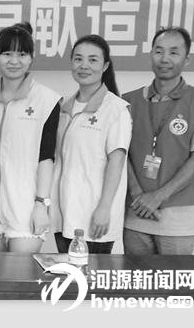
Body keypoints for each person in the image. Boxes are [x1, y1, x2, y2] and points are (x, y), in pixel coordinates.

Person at [123, 26, 194, 255]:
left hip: (179, 219)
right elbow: (121, 154)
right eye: (159, 51)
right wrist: (138, 195)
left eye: (174, 52)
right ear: (151, 54)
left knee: (174, 279)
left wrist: (157, 197)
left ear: (187, 59)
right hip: (135, 214)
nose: (164, 59)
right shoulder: (128, 101)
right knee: (135, 278)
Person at [0, 23, 61, 253]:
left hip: (26, 206)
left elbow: (47, 157)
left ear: (31, 58)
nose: (14, 61)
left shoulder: (46, 100)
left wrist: (41, 204)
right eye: (7, 53)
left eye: (22, 54)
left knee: (19, 271)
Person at [52, 34, 131, 254]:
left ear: (105, 66)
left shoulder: (115, 109)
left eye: (93, 60)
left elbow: (117, 162)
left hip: (94, 215)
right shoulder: (64, 108)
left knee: (92, 274)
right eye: (78, 59)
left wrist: (104, 208)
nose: (84, 65)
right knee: (68, 273)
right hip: (63, 212)